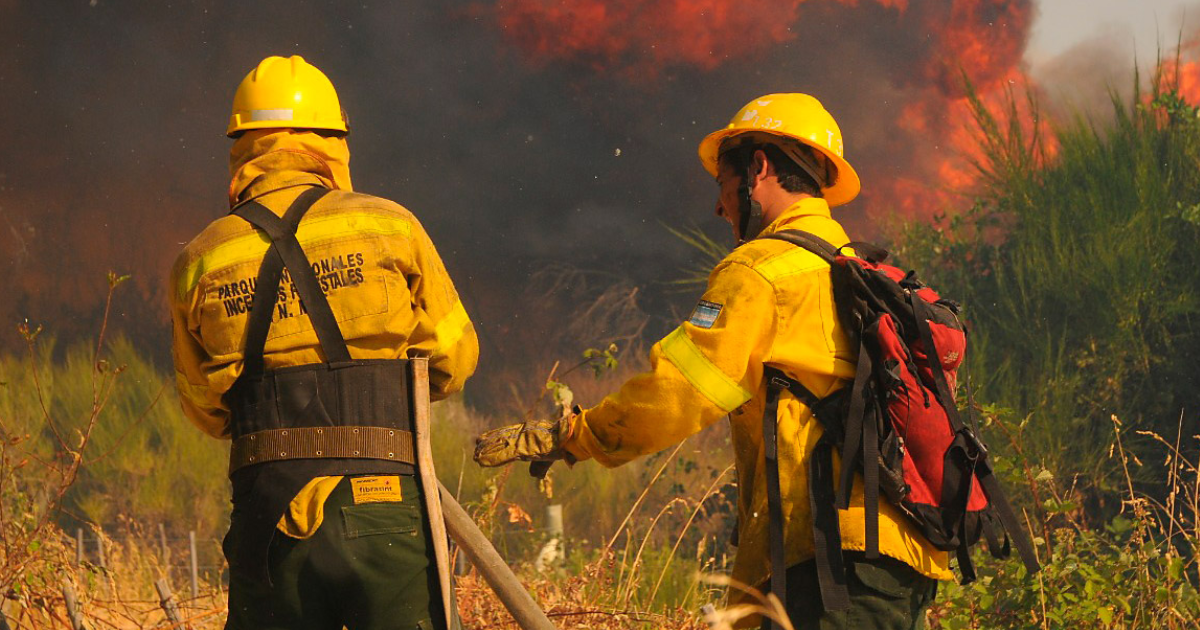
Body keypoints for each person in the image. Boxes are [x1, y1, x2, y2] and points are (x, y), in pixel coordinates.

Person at [474, 93, 948, 629]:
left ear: (760, 169)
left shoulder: (763, 270)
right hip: (900, 553)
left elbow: (680, 390)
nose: (720, 207)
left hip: (830, 563)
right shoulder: (855, 270)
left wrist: (574, 435)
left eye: (722, 183)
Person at [169, 55, 478, 630]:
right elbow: (454, 360)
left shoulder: (200, 260)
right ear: (334, 140)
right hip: (382, 503)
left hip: (267, 519)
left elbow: (206, 410)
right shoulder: (390, 226)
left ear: (241, 147)